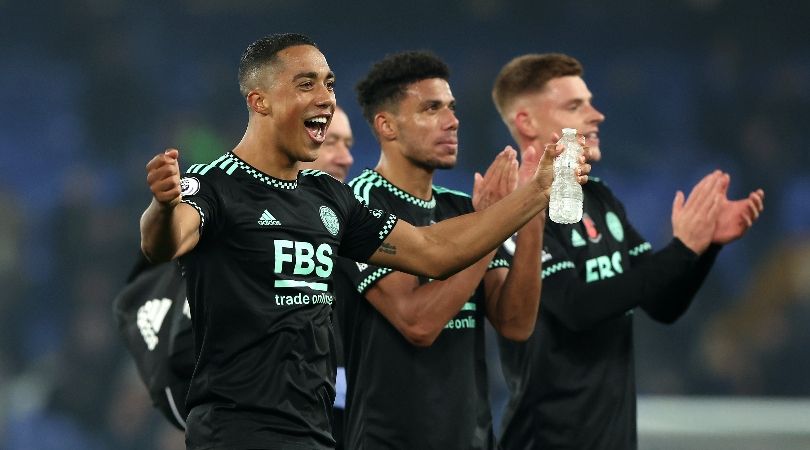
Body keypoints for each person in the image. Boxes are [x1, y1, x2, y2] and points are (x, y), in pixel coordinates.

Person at [139, 35, 588, 450]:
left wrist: (536, 193)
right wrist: (160, 207)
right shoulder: (215, 184)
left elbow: (433, 252)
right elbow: (168, 240)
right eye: (306, 84)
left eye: (329, 84)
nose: (325, 98)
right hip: (237, 430)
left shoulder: (327, 195)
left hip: (313, 430)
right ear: (260, 101)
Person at [490, 52, 765, 449]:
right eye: (575, 105)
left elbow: (661, 305)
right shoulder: (513, 211)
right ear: (526, 122)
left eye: (590, 101)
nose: (596, 114)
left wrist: (703, 248)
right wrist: (682, 248)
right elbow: (576, 308)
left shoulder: (600, 199)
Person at [335, 51, 546, 450]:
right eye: (431, 109)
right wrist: (488, 227)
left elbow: (515, 323)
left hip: (473, 438)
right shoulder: (360, 207)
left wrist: (528, 214)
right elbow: (417, 324)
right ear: (387, 125)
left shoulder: (462, 208)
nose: (452, 121)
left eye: (451, 108)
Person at [113, 105, 356, 437]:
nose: (344, 158)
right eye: (329, 143)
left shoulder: (347, 236)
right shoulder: (234, 231)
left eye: (348, 145)